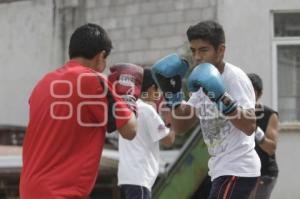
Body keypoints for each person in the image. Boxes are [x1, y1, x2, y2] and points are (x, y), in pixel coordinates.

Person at [20, 23, 141, 199]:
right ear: (101, 56)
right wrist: (128, 98)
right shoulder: (92, 79)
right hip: (59, 193)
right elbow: (130, 130)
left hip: (29, 191)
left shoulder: (43, 83)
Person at [152, 20, 260, 199]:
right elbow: (180, 127)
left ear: (220, 50)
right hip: (220, 169)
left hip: (238, 168)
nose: (197, 57)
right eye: (194, 51)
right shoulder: (201, 81)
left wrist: (221, 97)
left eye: (203, 50)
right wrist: (173, 96)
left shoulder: (235, 78)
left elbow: (250, 126)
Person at [115, 68, 175, 199]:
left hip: (126, 178)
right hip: (139, 178)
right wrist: (170, 120)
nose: (159, 94)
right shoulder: (147, 110)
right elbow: (168, 140)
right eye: (158, 90)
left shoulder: (128, 108)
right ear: (152, 88)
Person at [248, 73, 279, 199]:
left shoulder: (269, 114)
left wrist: (254, 129)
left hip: (264, 173)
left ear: (259, 94)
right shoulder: (235, 113)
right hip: (243, 172)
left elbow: (271, 147)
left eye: (251, 92)